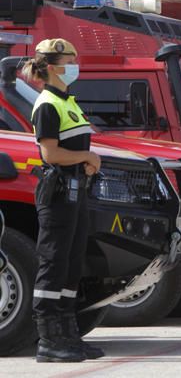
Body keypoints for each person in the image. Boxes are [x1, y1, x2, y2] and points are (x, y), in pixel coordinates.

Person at [25, 38, 103, 362]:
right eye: (71, 60)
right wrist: (86, 155)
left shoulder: (67, 101)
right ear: (55, 66)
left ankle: (69, 334)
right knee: (54, 263)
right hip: (58, 194)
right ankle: (49, 340)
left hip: (76, 190)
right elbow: (50, 152)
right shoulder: (46, 103)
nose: (75, 65)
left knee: (72, 263)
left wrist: (85, 161)